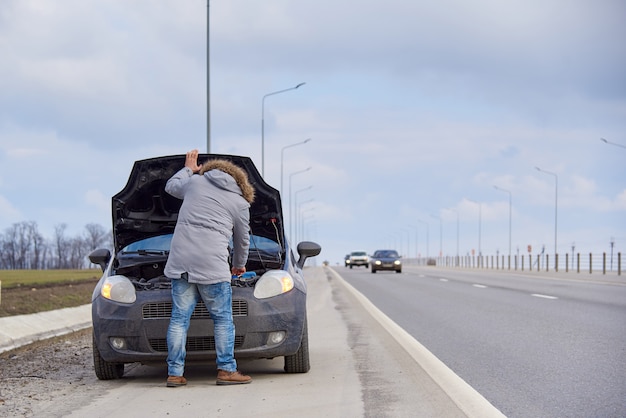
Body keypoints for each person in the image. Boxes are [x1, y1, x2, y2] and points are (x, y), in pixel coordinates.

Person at [164, 149, 255, 387]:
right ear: (240, 182)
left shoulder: (195, 182)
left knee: (179, 319)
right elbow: (242, 239)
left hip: (181, 263)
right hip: (213, 266)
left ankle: (175, 373)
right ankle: (226, 370)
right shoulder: (240, 202)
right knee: (223, 319)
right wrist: (238, 265)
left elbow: (171, 187)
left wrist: (188, 169)